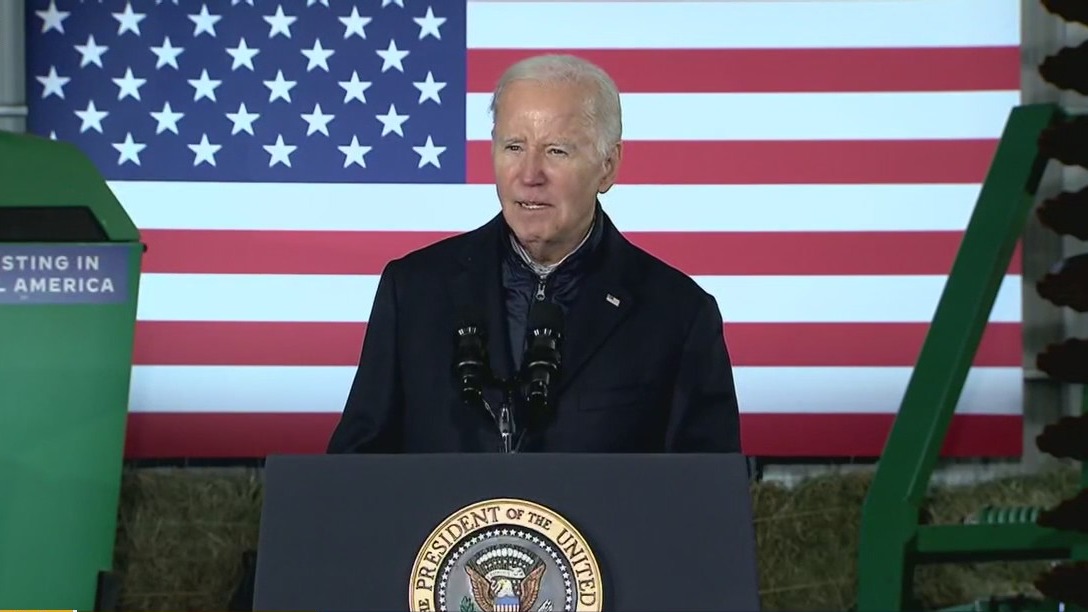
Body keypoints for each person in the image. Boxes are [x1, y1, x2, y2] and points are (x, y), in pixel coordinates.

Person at [326, 54, 742, 454]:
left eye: (556, 151)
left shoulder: (679, 315)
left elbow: (704, 501)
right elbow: (355, 473)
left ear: (608, 166)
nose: (529, 175)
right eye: (513, 147)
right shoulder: (415, 291)